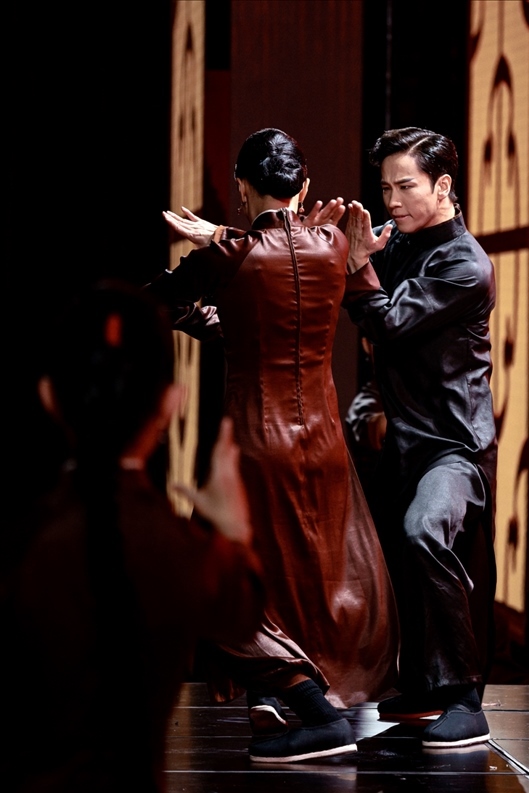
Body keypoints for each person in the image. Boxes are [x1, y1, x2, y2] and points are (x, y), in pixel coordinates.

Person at [146, 127, 399, 764]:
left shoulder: (229, 256)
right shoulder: (333, 244)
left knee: (214, 579)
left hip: (258, 443)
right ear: (303, 187)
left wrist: (210, 256)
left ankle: (314, 711)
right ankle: (289, 699)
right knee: (306, 575)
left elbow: (154, 306)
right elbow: (299, 294)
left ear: (241, 187)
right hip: (325, 440)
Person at [0, 280, 264, 792]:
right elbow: (243, 609)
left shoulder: (23, 539)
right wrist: (234, 528)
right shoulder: (183, 550)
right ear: (170, 403)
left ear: (49, 396)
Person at [342, 127, 497, 749]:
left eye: (405, 186)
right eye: (385, 188)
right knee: (390, 559)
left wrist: (359, 265)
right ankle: (425, 687)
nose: (393, 200)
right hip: (406, 441)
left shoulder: (465, 264)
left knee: (424, 532)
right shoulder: (401, 245)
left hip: (454, 447)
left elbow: (387, 322)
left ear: (443, 185)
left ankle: (464, 698)